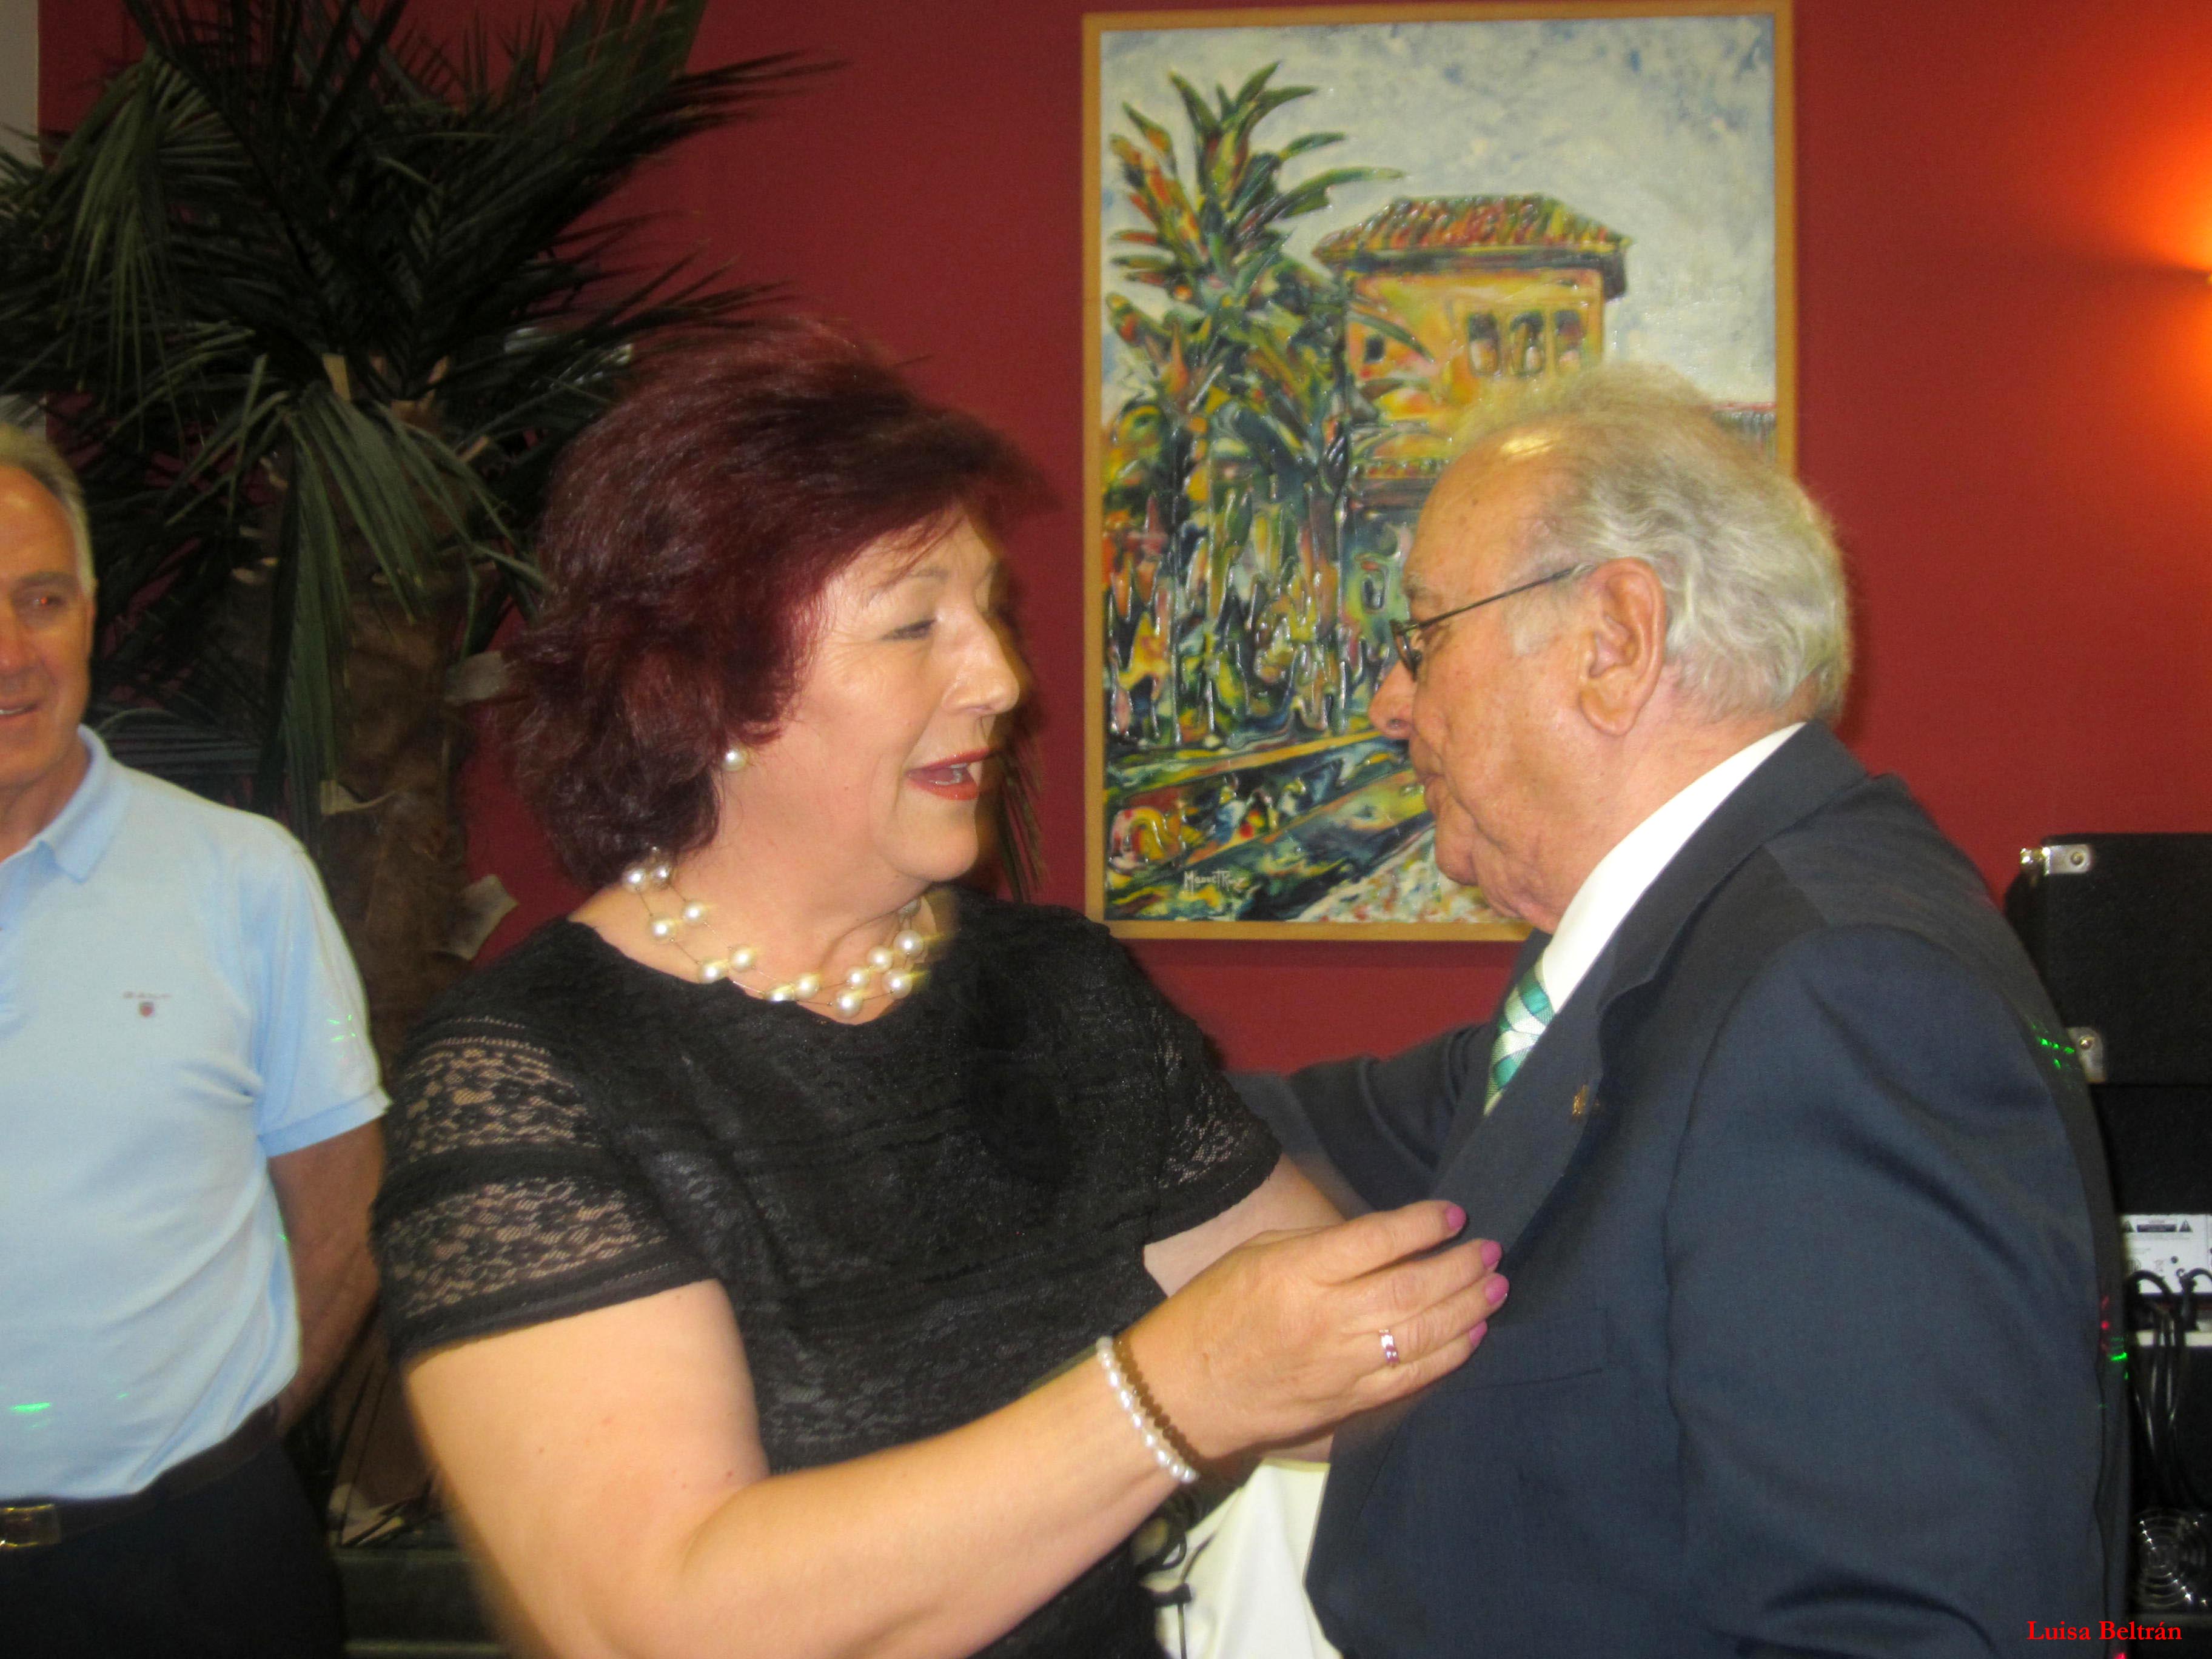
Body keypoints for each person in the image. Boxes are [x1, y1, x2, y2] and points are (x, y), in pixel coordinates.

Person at [368, 321, 1508, 1659]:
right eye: (915, 624)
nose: (1001, 681)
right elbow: (658, 1615)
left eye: (988, 614)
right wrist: (1166, 1395)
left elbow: (1340, 1361)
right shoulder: (525, 1076)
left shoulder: (1060, 992)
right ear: (707, 689)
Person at [1236, 367, 2128, 1654]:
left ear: (1615, 641)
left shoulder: (1839, 998)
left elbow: (1897, 1628)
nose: (1392, 701)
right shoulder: (1693, 956)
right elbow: (1328, 1131)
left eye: (1424, 636)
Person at [0, 423, 387, 1657]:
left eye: (40, 599)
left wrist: (236, 1450)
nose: (9, 653)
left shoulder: (242, 878)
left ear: (90, 614)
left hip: (196, 1571)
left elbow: (345, 1208)